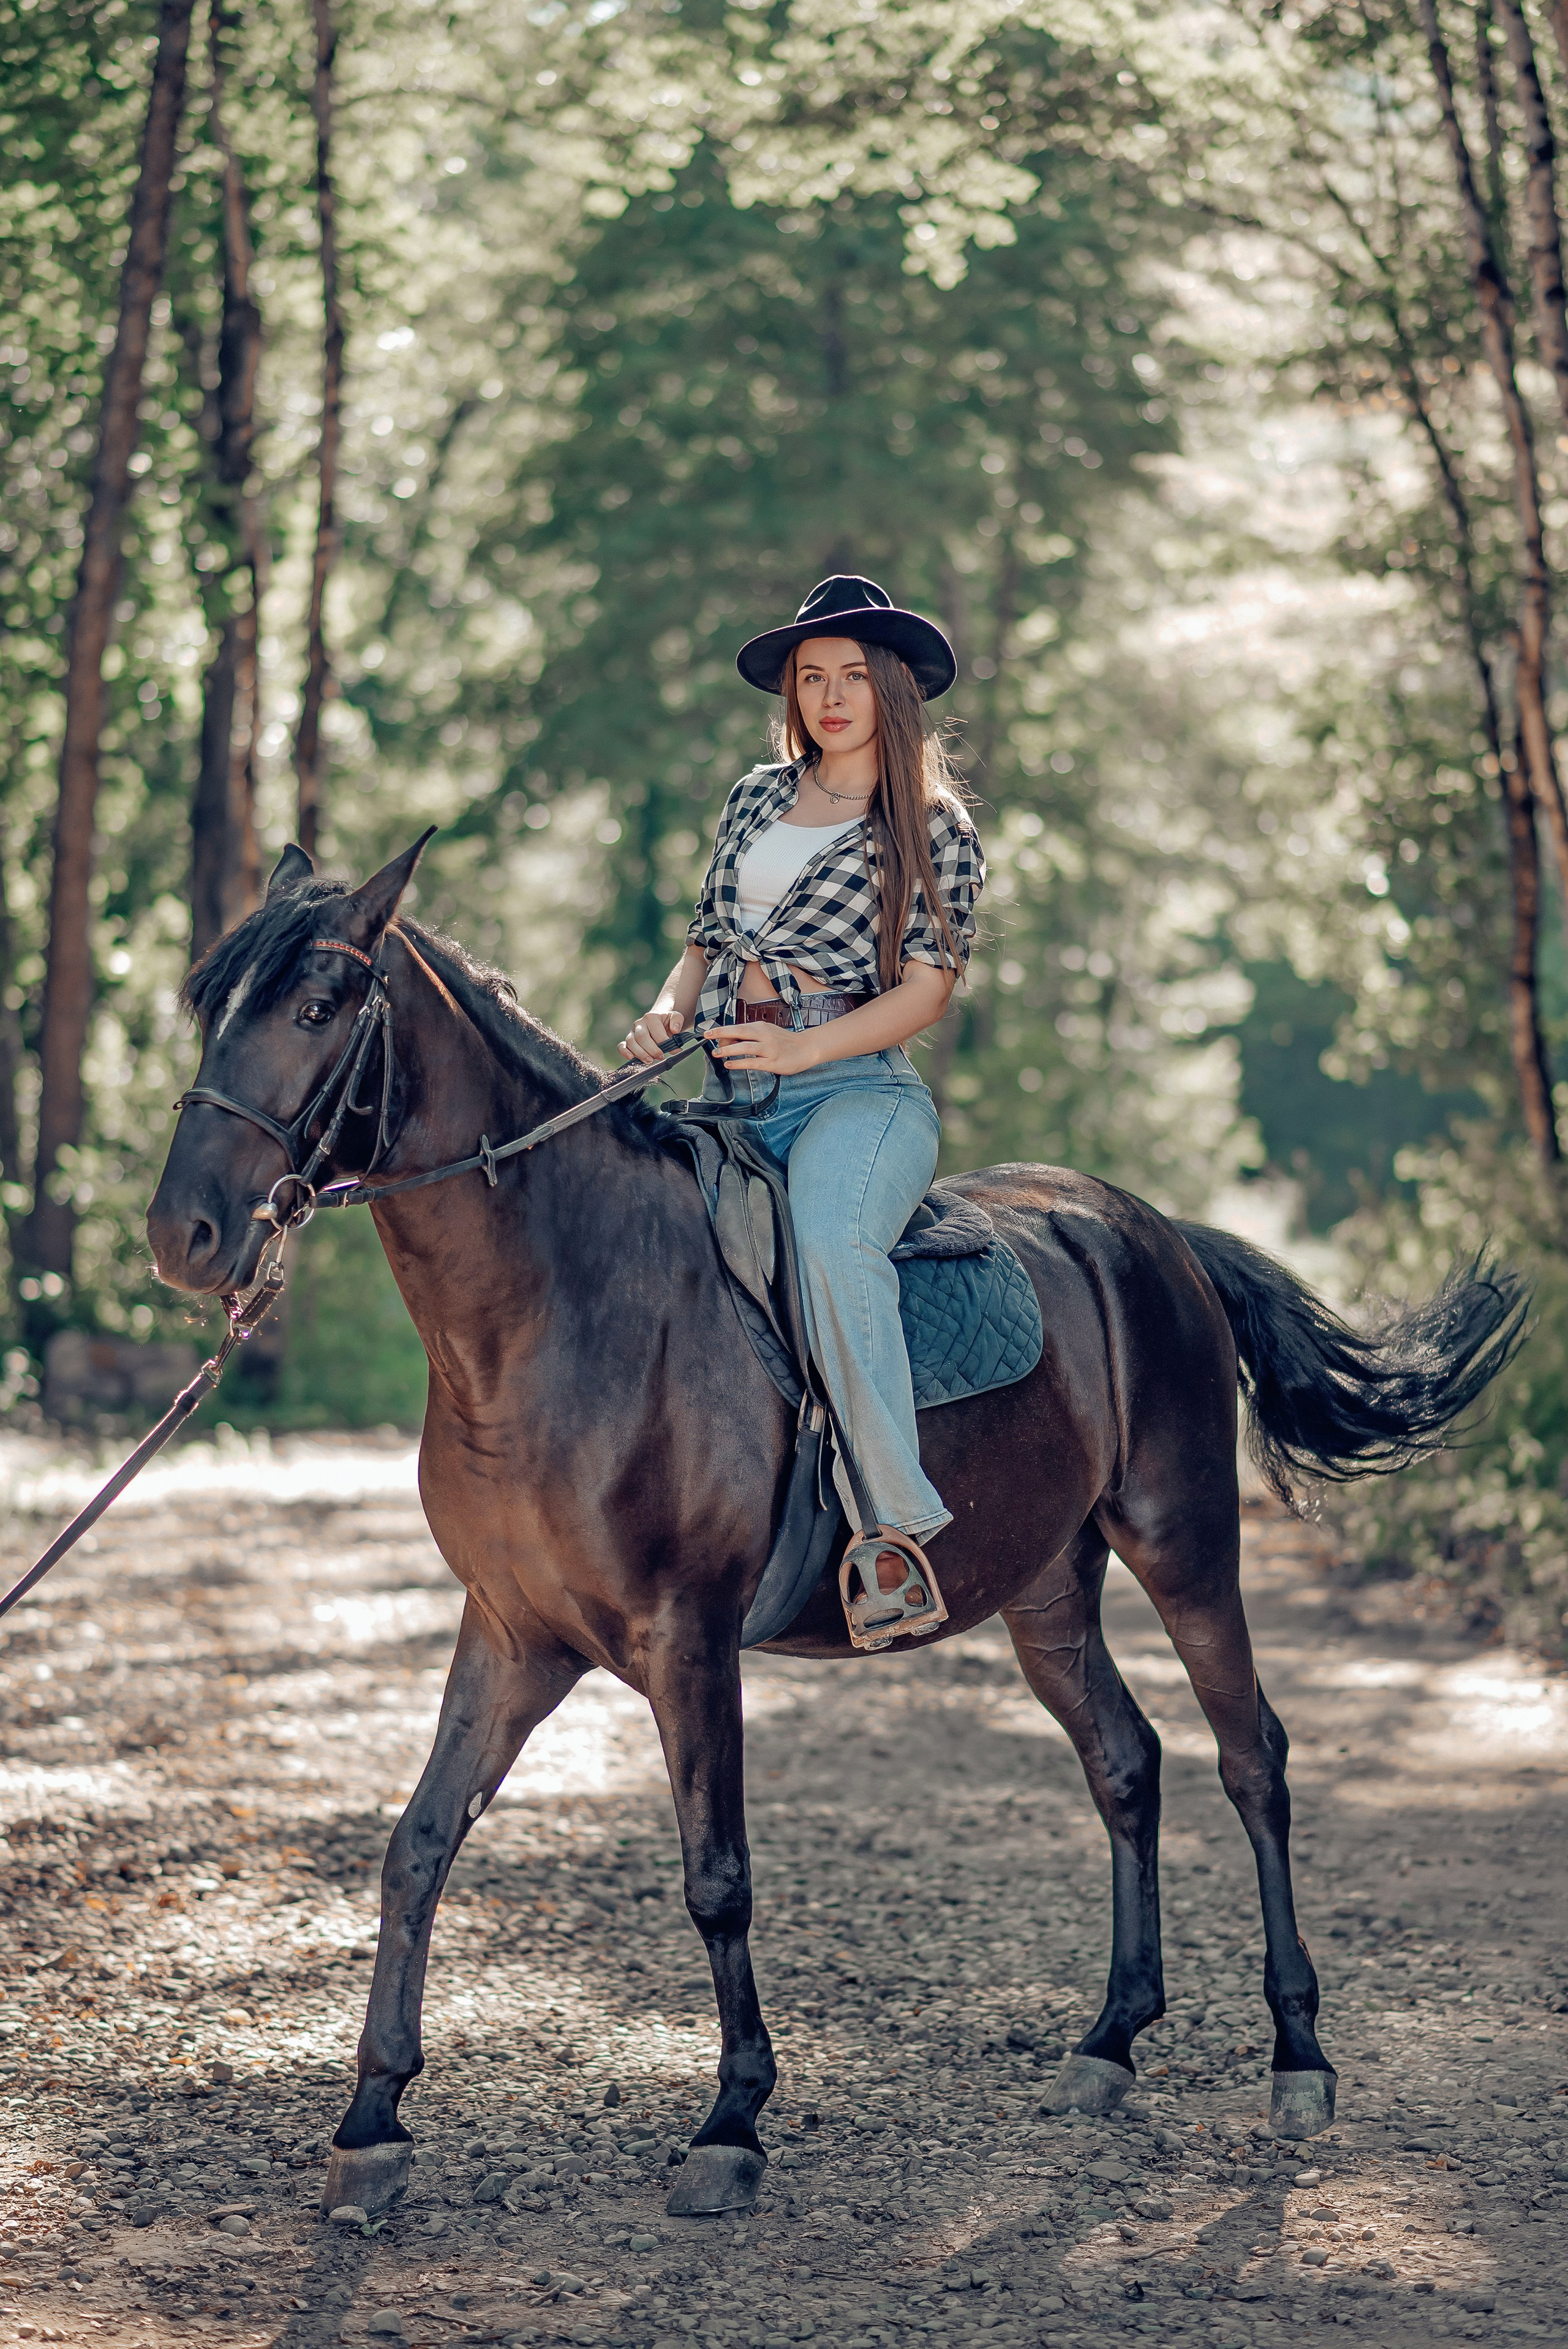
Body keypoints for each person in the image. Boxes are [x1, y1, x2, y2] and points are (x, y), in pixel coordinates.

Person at [620, 575, 986, 1643]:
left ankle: (891, 1534)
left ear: (891, 690)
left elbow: (927, 989)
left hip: (854, 1095)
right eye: (812, 677)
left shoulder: (932, 826)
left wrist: (802, 1047)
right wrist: (666, 1011)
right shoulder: (753, 797)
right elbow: (703, 942)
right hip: (727, 1089)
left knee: (831, 1243)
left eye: (852, 677)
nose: (830, 697)